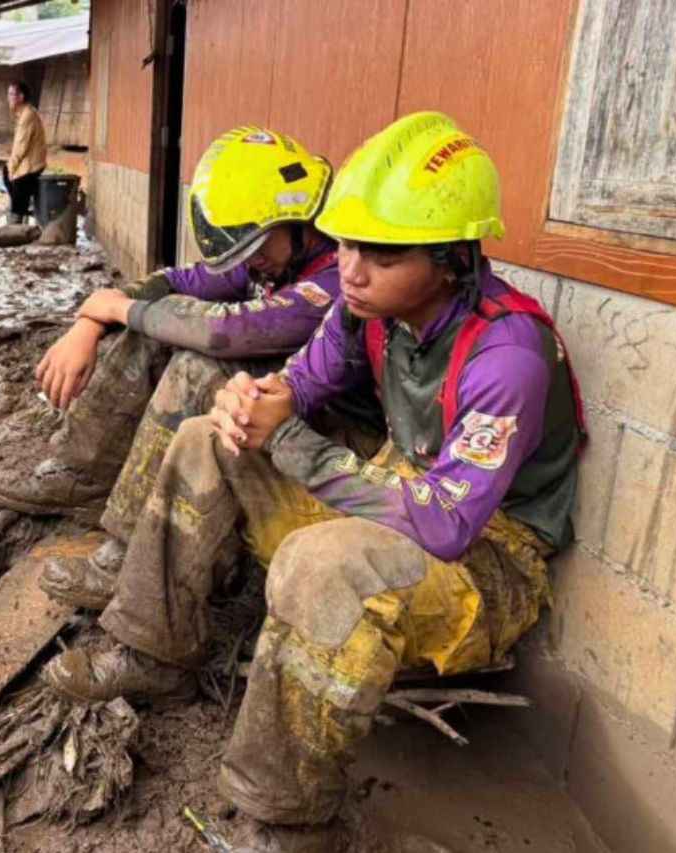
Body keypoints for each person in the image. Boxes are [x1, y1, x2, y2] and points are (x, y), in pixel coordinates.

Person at [39, 112, 586, 852]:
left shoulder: (508, 355)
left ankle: (286, 817)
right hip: (399, 493)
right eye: (348, 242)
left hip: (487, 559)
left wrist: (290, 441)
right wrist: (252, 403)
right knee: (207, 437)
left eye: (381, 253)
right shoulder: (371, 312)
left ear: (453, 255)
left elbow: (445, 524)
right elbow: (297, 384)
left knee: (321, 564)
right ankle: (152, 648)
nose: (351, 268)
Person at [0, 126, 382, 611]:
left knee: (195, 365)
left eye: (257, 248)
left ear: (299, 219)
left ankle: (126, 556)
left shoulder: (337, 277)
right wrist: (92, 320)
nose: (252, 263)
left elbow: (227, 330)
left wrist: (118, 309)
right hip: (273, 406)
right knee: (155, 332)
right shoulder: (270, 254)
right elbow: (177, 281)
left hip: (335, 434)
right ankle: (79, 473)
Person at [3, 81, 47, 224]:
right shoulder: (25, 113)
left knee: (15, 178)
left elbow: (20, 147)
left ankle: (17, 222)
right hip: (30, 164)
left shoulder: (28, 115)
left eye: (11, 94)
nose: (8, 98)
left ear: (21, 97)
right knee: (7, 172)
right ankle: (20, 209)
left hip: (33, 167)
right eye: (8, 94)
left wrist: (12, 167)